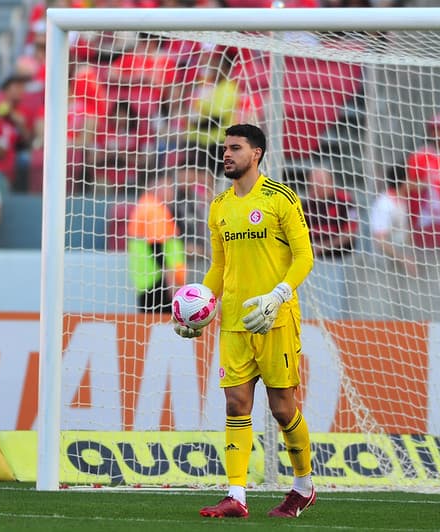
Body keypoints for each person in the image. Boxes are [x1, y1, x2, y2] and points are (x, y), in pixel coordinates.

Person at [173, 124, 316, 519]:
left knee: (282, 409)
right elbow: (219, 266)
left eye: (235, 148)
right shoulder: (219, 205)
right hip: (234, 321)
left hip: (275, 318)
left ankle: (303, 486)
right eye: (225, 148)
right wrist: (198, 309)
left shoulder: (280, 198)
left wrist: (278, 294)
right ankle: (236, 495)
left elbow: (304, 256)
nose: (226, 154)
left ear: (256, 153)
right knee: (236, 404)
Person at [302, 163, 359, 318]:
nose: (316, 186)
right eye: (313, 182)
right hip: (313, 265)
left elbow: (350, 233)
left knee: (336, 309)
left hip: (340, 263)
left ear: (331, 182)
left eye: (320, 182)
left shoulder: (345, 201)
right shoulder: (304, 206)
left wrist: (322, 247)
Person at [126, 173, 187, 313]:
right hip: (158, 280)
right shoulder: (154, 210)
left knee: (149, 320)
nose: (172, 191)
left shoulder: (144, 205)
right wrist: (170, 279)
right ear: (155, 186)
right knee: (164, 321)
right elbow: (156, 246)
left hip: (146, 279)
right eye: (168, 187)